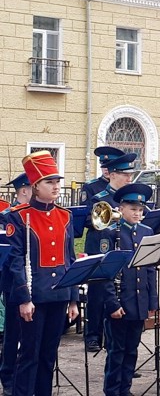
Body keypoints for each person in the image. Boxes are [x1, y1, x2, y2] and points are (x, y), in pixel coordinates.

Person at [6, 151, 79, 396]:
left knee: (49, 356)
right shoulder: (18, 217)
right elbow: (15, 262)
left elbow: (70, 259)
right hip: (33, 298)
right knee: (29, 356)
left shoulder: (65, 216)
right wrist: (24, 299)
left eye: (58, 181)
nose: (56, 186)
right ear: (35, 186)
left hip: (59, 297)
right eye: (50, 182)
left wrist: (73, 298)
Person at [99, 183, 158, 396]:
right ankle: (113, 390)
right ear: (121, 208)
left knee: (132, 350)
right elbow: (104, 274)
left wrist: (152, 302)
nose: (137, 213)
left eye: (140, 209)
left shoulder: (146, 232)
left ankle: (125, 389)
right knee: (117, 350)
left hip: (139, 300)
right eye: (133, 209)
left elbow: (150, 270)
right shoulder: (110, 233)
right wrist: (113, 304)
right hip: (120, 301)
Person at [82, 152, 137, 352]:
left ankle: (116, 345)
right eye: (125, 175)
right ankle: (93, 335)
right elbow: (90, 221)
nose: (129, 178)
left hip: (124, 250)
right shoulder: (99, 197)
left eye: (130, 174)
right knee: (98, 293)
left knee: (121, 293)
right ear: (112, 174)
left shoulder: (129, 198)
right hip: (101, 247)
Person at [0, 174, 31, 396]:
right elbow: (9, 255)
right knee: (13, 334)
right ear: (24, 190)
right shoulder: (7, 217)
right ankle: (8, 376)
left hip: (36, 284)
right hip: (14, 286)